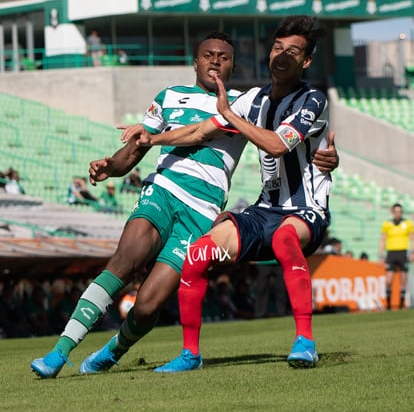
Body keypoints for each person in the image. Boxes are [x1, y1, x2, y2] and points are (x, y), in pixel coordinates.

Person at [31, 30, 338, 379]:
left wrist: (326, 158)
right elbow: (149, 144)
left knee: (148, 305)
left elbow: (293, 141)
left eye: (224, 57)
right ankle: (59, 352)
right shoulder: (171, 96)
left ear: (234, 66)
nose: (216, 61)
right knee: (126, 260)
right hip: (162, 190)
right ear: (195, 61)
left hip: (202, 211)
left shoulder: (245, 102)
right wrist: (114, 166)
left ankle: (114, 349)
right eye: (209, 55)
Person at [144, 15, 333, 372]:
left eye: (293, 51)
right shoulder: (253, 99)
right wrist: (151, 138)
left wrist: (231, 113)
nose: (282, 55)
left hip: (306, 211)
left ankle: (305, 342)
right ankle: (190, 354)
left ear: (305, 61)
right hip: (264, 211)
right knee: (198, 253)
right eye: (278, 47)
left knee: (284, 238)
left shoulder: (312, 99)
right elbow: (200, 131)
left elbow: (278, 145)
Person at [379, 203, 414, 309]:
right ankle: (388, 305)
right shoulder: (387, 224)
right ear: (393, 212)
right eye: (396, 211)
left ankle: (400, 304)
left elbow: (413, 238)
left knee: (403, 280)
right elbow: (383, 240)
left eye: (400, 211)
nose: (398, 214)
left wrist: (413, 252)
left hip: (403, 253)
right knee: (388, 280)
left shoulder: (407, 224)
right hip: (391, 253)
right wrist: (380, 255)